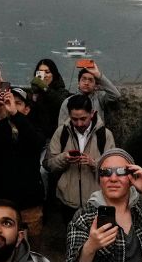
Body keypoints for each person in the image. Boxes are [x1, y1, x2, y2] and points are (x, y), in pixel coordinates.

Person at [0, 86, 48, 246]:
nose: (10, 105)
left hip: (29, 203)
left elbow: (36, 142)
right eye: (5, 101)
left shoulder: (33, 128)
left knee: (31, 248)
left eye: (17, 103)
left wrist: (15, 114)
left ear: (27, 109)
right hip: (1, 202)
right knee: (1, 246)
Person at [47, 94, 115, 223]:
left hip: (98, 201)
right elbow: (49, 165)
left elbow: (113, 170)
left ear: (92, 113)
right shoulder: (61, 133)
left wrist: (94, 164)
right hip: (68, 201)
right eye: (74, 119)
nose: (79, 123)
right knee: (71, 238)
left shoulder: (105, 135)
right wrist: (63, 158)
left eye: (83, 118)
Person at [57, 62, 122, 127]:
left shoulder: (99, 98)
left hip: (96, 136)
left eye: (90, 80)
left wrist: (99, 75)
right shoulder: (68, 101)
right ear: (78, 83)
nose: (86, 83)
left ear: (95, 85)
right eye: (83, 79)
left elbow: (116, 95)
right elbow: (62, 127)